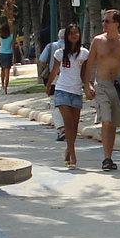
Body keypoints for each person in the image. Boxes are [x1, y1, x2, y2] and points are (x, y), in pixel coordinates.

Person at [83, 10, 120, 172]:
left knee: (114, 124)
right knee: (106, 121)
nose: (104, 24)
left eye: (107, 21)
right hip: (101, 85)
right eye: (103, 21)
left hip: (118, 86)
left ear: (117, 24)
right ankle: (105, 157)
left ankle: (109, 158)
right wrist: (87, 84)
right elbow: (89, 64)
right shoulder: (97, 41)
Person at [47, 24, 89, 168]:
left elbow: (84, 73)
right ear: (66, 36)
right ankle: (73, 155)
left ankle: (67, 150)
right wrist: (48, 85)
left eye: (76, 32)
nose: (73, 35)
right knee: (68, 122)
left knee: (74, 125)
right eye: (70, 33)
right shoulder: (60, 53)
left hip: (76, 91)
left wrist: (88, 86)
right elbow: (54, 70)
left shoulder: (84, 53)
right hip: (61, 90)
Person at [0, 22, 15, 94]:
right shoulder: (11, 36)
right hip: (8, 53)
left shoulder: (0, 36)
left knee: (2, 71)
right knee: (7, 72)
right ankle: (6, 89)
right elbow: (13, 46)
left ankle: (2, 86)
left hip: (1, 53)